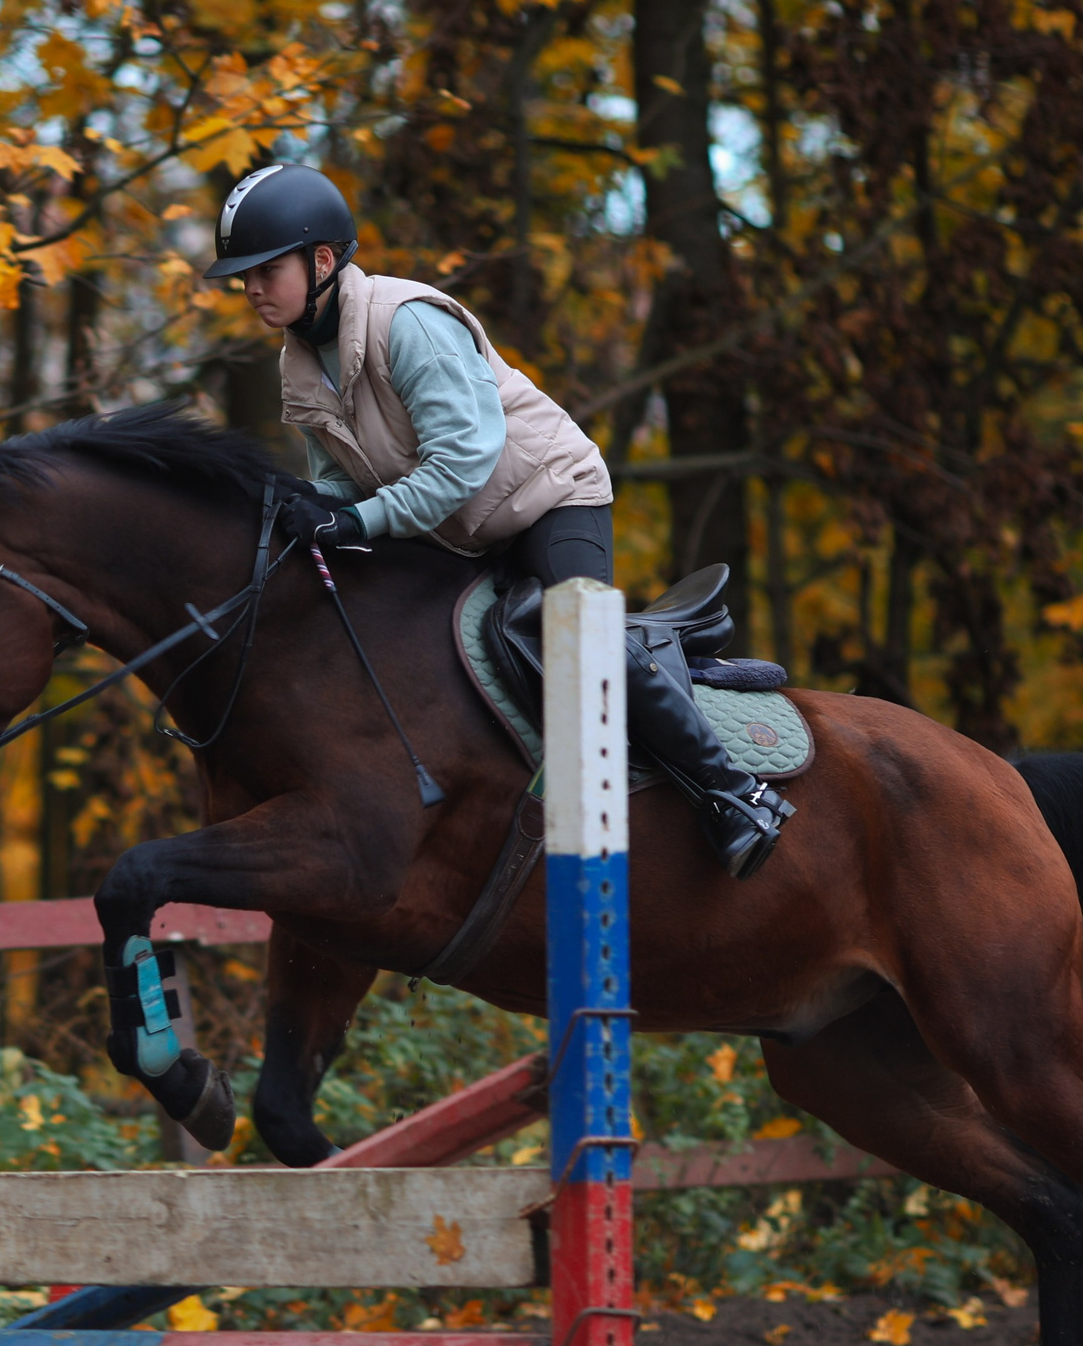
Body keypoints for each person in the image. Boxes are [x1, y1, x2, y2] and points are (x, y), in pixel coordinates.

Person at [204, 162, 795, 878]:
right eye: (244, 277)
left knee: (564, 631)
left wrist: (357, 524)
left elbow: (462, 466)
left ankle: (737, 793)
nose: (252, 288)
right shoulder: (298, 364)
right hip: (456, 529)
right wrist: (318, 511)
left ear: (323, 260)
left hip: (551, 499)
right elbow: (338, 477)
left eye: (266, 269)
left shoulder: (410, 323)